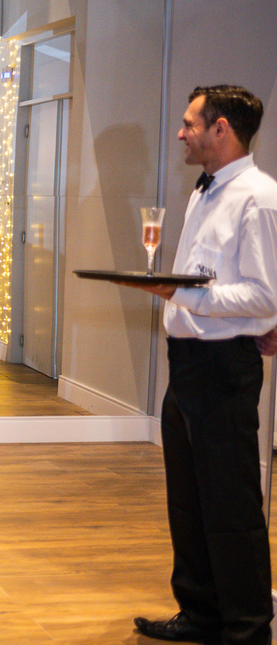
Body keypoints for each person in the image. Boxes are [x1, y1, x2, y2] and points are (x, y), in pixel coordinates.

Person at [117, 86, 277, 645]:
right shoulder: (203, 191)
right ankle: (201, 612)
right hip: (186, 361)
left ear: (221, 129)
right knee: (187, 500)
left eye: (190, 124)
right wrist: (183, 297)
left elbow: (263, 295)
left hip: (223, 367)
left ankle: (247, 629)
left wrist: (179, 294)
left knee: (231, 503)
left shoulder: (259, 198)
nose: (181, 133)